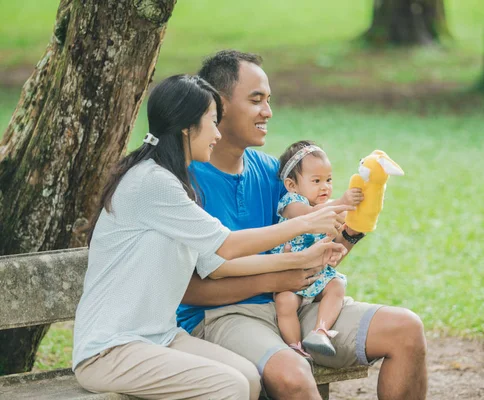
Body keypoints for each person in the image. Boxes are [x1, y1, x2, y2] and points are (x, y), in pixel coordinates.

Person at [72, 75, 350, 400]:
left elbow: (217, 262)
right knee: (228, 386)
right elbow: (228, 244)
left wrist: (300, 260)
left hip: (159, 337)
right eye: (212, 123)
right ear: (187, 128)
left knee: (248, 378)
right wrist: (306, 223)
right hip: (110, 349)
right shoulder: (151, 182)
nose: (218, 134)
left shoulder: (176, 185)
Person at [177, 50, 428, 400]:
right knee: (294, 375)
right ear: (218, 104)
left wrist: (352, 229)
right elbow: (188, 291)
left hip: (297, 304)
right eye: (256, 100)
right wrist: (278, 280)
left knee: (406, 329)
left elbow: (316, 252)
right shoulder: (183, 180)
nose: (268, 111)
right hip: (222, 317)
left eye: (269, 100)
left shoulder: (271, 171)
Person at [270, 140, 363, 358]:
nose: (325, 187)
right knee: (284, 303)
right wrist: (340, 202)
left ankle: (320, 330)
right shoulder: (291, 202)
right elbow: (309, 216)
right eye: (316, 180)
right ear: (292, 185)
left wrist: (360, 210)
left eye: (329, 180)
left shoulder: (328, 205)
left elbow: (346, 225)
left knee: (337, 285)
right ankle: (295, 347)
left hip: (317, 276)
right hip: (289, 277)